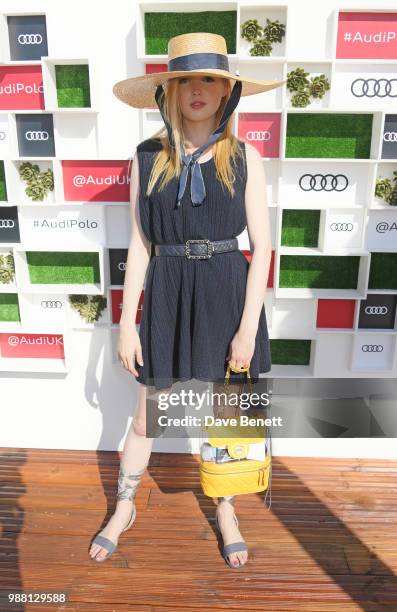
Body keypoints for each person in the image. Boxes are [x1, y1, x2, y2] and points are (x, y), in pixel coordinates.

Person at [89, 32, 285, 568]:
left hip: (225, 288)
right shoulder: (147, 156)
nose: (197, 90)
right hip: (170, 291)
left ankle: (225, 507)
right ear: (168, 91)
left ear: (226, 92)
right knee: (148, 414)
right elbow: (141, 244)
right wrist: (127, 323)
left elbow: (263, 246)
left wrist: (247, 329)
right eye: (185, 80)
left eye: (209, 80)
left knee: (226, 415)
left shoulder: (246, 157)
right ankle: (124, 505)